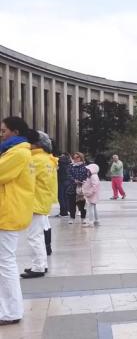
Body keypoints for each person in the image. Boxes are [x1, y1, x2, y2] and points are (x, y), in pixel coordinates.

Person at [0, 116, 35, 326]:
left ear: (14, 131)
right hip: (8, 211)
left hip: (7, 213)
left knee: (6, 263)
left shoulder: (18, 153)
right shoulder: (16, 152)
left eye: (3, 130)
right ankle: (8, 308)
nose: (1, 134)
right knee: (5, 262)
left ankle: (11, 311)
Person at [20, 130, 55, 279]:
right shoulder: (47, 158)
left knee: (34, 236)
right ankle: (41, 264)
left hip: (35, 201)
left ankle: (39, 267)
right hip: (42, 200)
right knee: (38, 236)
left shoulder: (35, 160)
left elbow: (26, 180)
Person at [66, 152, 88, 224]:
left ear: (81, 157)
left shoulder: (85, 166)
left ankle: (83, 218)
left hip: (82, 187)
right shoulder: (70, 166)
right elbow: (68, 175)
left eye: (77, 157)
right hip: (72, 187)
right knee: (72, 204)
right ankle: (72, 217)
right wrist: (74, 180)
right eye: (74, 157)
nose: (75, 159)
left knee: (82, 204)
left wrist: (82, 181)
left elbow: (87, 175)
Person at [56, 152, 71, 217]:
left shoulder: (59, 163)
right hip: (68, 181)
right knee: (66, 197)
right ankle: (67, 210)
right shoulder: (69, 163)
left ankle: (63, 212)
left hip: (60, 181)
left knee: (60, 197)